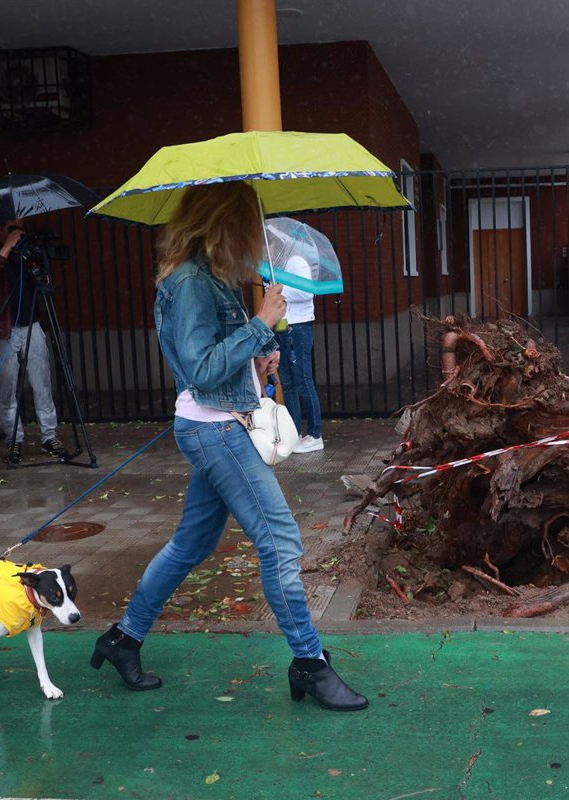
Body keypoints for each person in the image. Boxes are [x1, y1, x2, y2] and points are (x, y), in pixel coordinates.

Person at [90, 182, 367, 711]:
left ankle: (123, 639)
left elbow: (219, 359)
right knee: (281, 541)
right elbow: (198, 368)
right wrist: (261, 322)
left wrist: (259, 356)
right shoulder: (191, 283)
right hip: (214, 431)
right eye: (248, 228)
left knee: (190, 546)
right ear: (225, 226)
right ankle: (309, 663)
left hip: (218, 423)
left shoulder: (210, 278)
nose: (257, 241)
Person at [0, 220, 68, 463]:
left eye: (18, 226)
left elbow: (41, 278)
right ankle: (14, 440)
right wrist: (5, 249)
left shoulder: (24, 247)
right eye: (9, 228)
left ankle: (49, 436)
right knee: (8, 389)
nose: (15, 231)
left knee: (42, 382)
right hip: (1, 329)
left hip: (30, 322)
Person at [273, 249, 324, 453]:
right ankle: (294, 433)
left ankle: (314, 434)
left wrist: (279, 290)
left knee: (302, 380)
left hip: (299, 327)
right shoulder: (277, 265)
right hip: (283, 327)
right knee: (288, 384)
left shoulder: (296, 261)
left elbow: (305, 292)